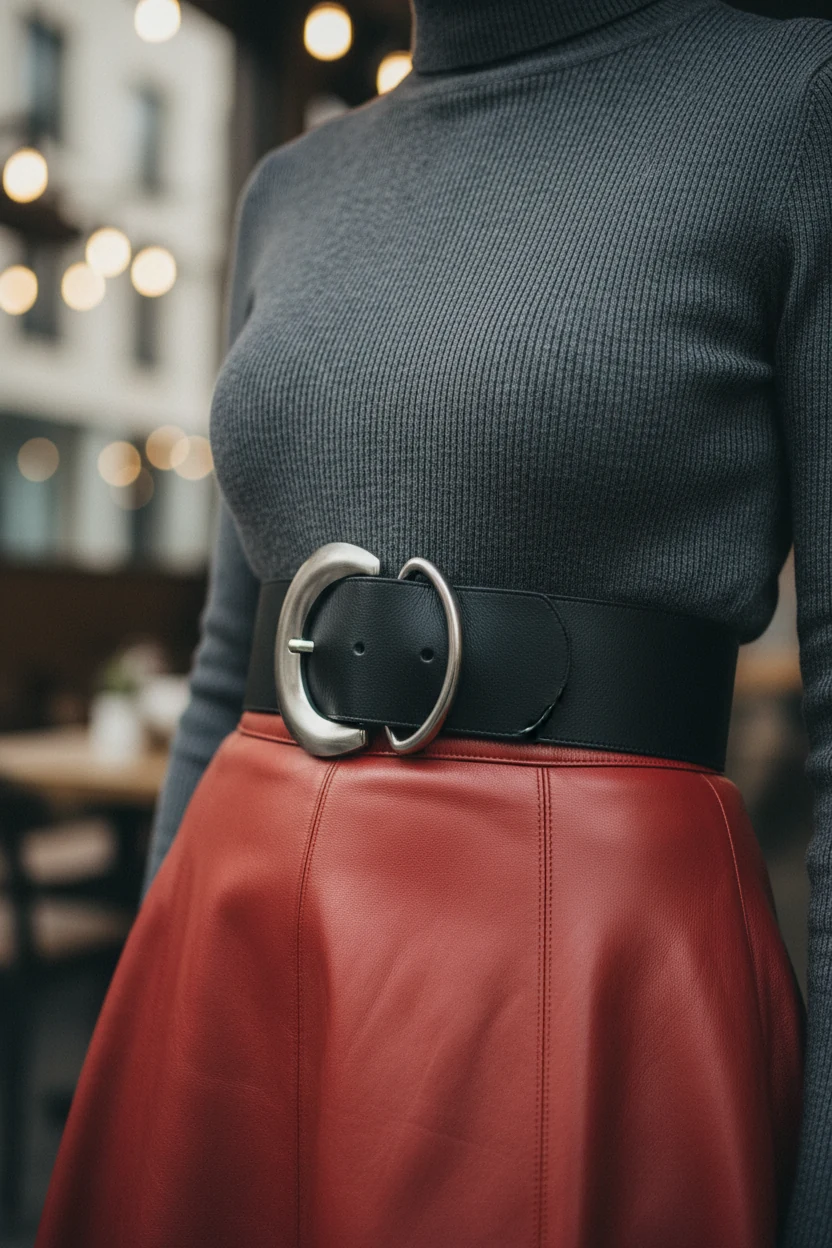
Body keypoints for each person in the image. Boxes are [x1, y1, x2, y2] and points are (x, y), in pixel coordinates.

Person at [35, 0, 832, 1244]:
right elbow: (219, 674)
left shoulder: (792, 107)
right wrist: (142, 1045)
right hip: (236, 940)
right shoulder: (287, 187)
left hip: (579, 969)